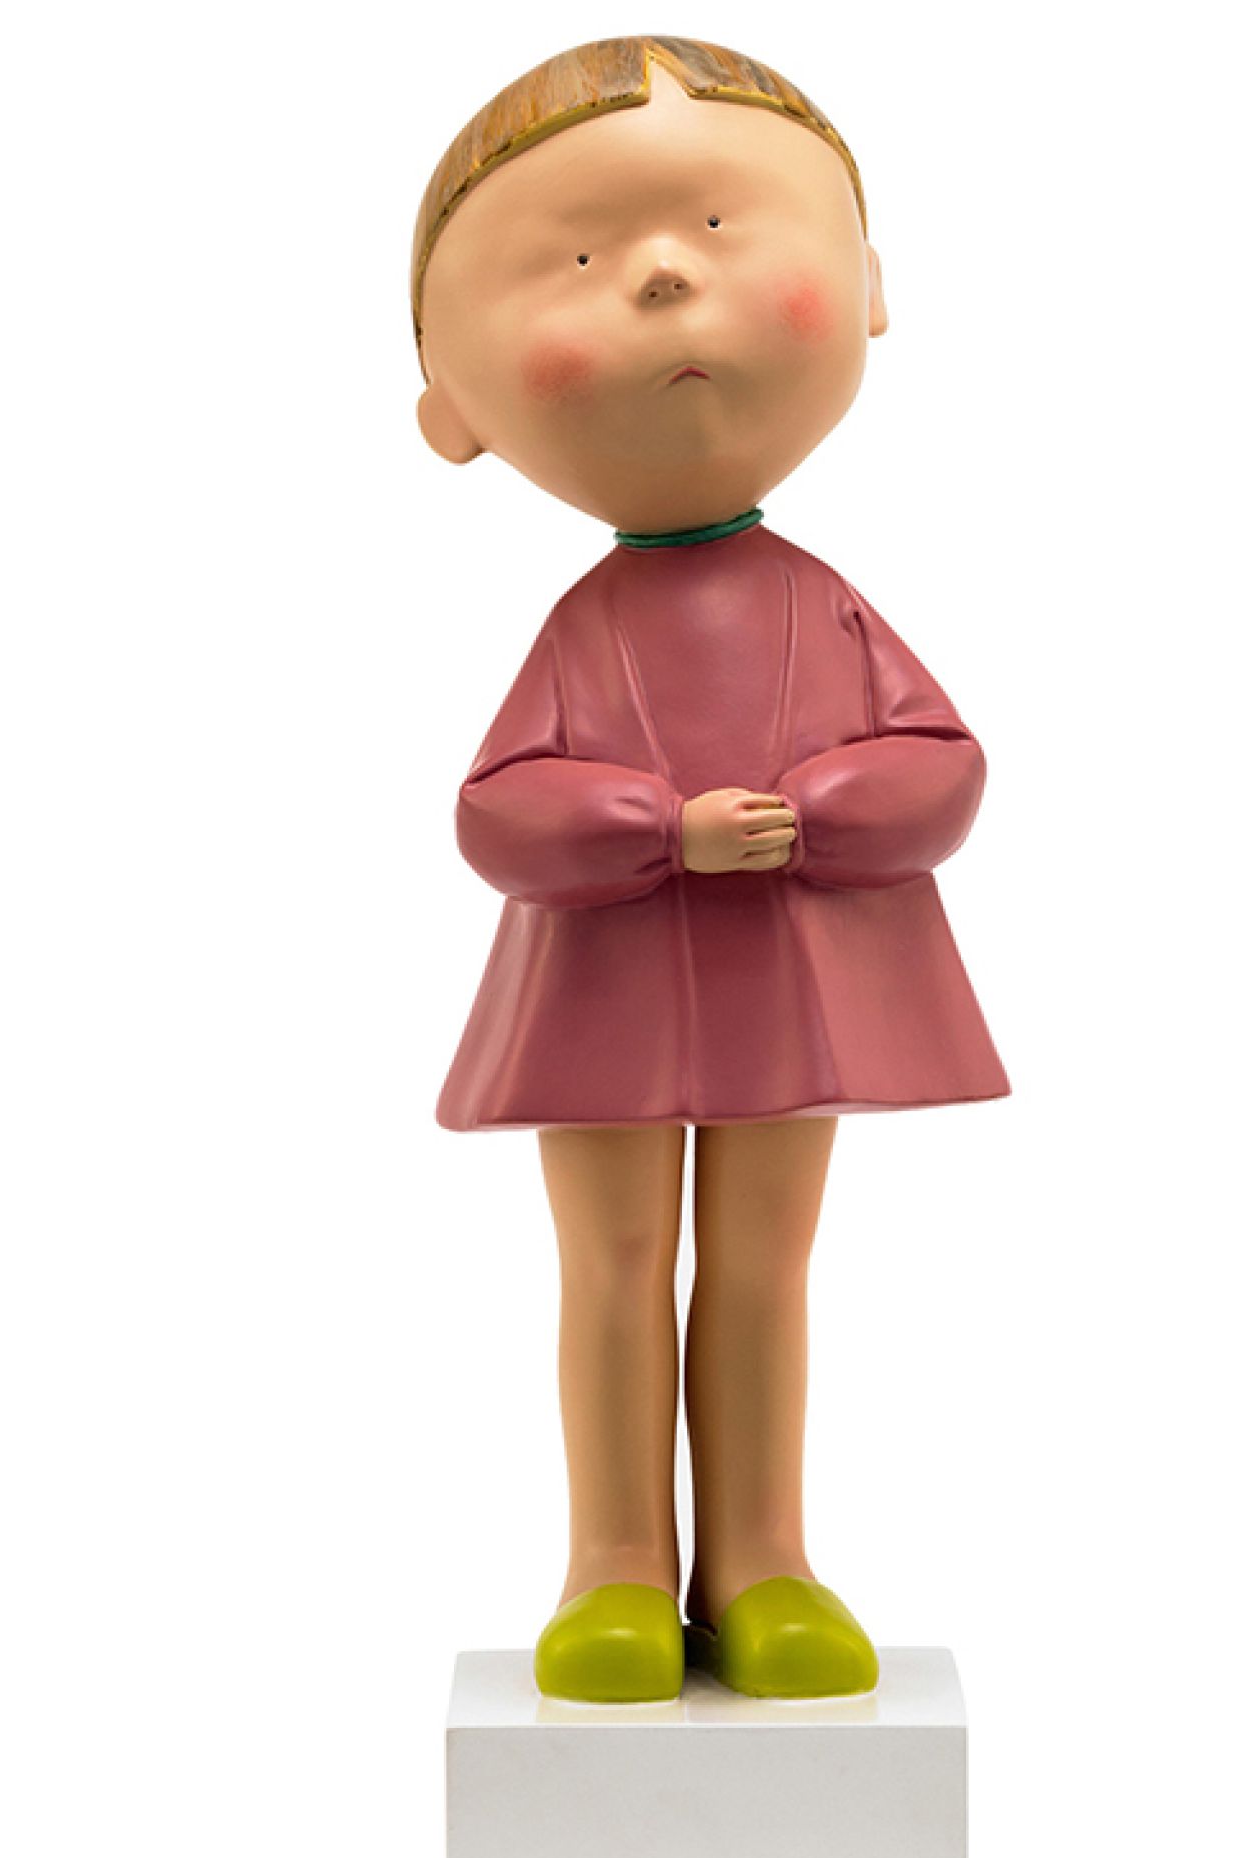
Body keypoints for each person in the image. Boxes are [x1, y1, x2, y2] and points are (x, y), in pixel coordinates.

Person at [411, 36, 1008, 1702]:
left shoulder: (823, 601)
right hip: (607, 990)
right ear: (453, 411)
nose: (667, 274)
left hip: (784, 989)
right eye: (578, 260)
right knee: (611, 1268)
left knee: (761, 1267)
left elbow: (942, 765)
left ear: (868, 287)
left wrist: (828, 810)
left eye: (723, 226)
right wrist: (649, 832)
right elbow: (498, 810)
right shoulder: (585, 625)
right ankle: (613, 1562)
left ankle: (761, 1561)